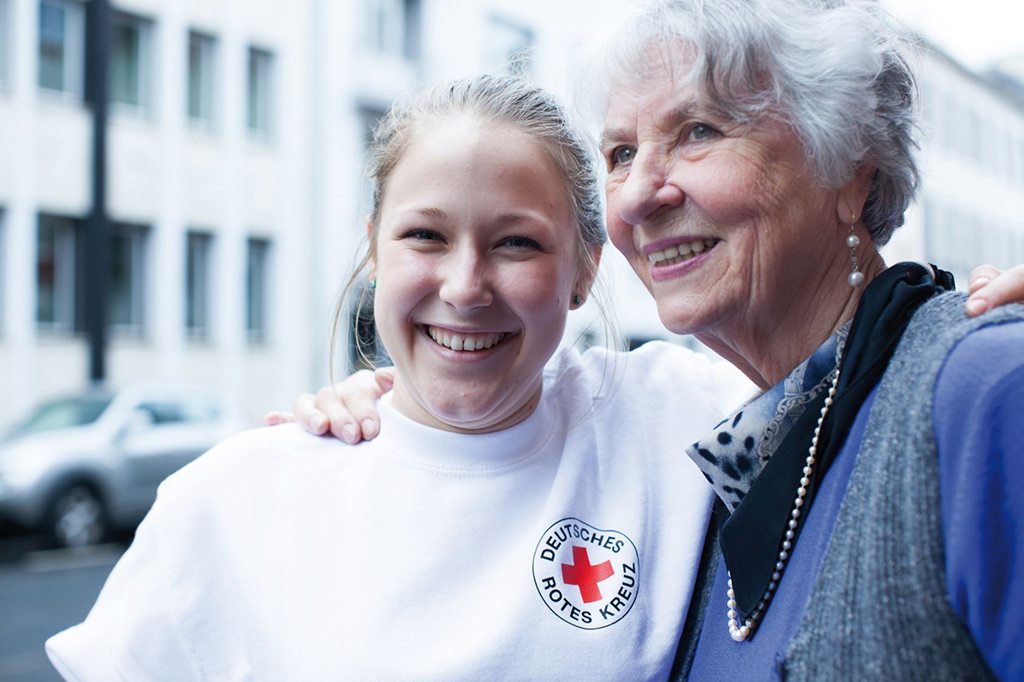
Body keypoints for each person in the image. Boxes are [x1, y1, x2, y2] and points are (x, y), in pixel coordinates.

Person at [283, 1, 1024, 679]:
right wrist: (403, 413)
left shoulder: (983, 393)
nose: (637, 194)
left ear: (851, 170)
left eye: (698, 131)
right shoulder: (732, 460)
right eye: (620, 154)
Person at [45, 75, 757, 681]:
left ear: (584, 270)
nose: (466, 286)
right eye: (426, 236)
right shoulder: (236, 501)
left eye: (517, 243)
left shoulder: (678, 417)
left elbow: (854, 385)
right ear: (375, 252)